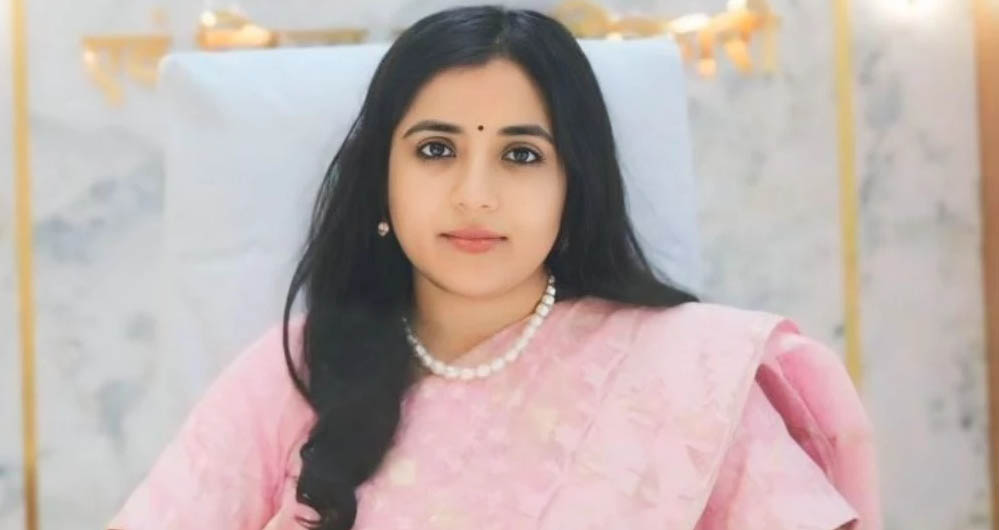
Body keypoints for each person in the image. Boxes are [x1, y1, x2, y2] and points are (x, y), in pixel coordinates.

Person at [107, 5, 879, 530]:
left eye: (520, 155)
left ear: (574, 185)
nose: (474, 194)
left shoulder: (690, 376)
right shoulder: (297, 369)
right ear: (380, 179)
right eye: (435, 149)